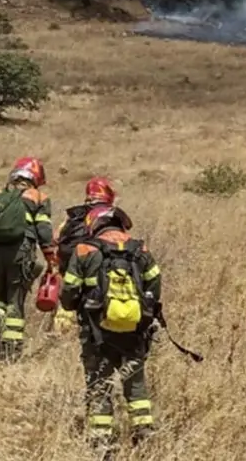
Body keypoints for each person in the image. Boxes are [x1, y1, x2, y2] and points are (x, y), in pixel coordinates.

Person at [58, 191, 162, 452]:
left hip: (96, 332)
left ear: (94, 224)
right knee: (135, 382)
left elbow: (69, 292)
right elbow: (155, 284)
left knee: (99, 383)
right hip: (134, 330)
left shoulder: (84, 250)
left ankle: (102, 442)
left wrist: (76, 308)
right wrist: (143, 312)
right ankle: (144, 433)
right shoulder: (140, 248)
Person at [0, 156, 56, 360]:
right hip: (20, 252)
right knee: (16, 300)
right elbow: (44, 231)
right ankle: (11, 350)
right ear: (36, 178)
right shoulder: (37, 197)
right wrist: (51, 258)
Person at [50, 177, 117, 333]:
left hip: (68, 266)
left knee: (67, 300)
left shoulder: (73, 214)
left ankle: (60, 333)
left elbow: (55, 237)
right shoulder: (110, 215)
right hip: (96, 267)